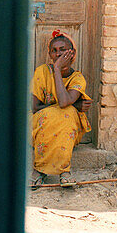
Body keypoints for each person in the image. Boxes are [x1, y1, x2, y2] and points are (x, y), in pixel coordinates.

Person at [30, 31, 91, 186]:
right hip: (40, 125)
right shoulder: (42, 72)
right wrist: (75, 104)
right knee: (58, 113)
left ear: (72, 53)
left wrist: (57, 70)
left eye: (63, 49)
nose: (58, 54)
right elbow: (35, 107)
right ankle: (41, 170)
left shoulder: (77, 78)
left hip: (68, 128)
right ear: (50, 54)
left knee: (67, 113)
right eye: (54, 51)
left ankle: (62, 170)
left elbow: (64, 102)